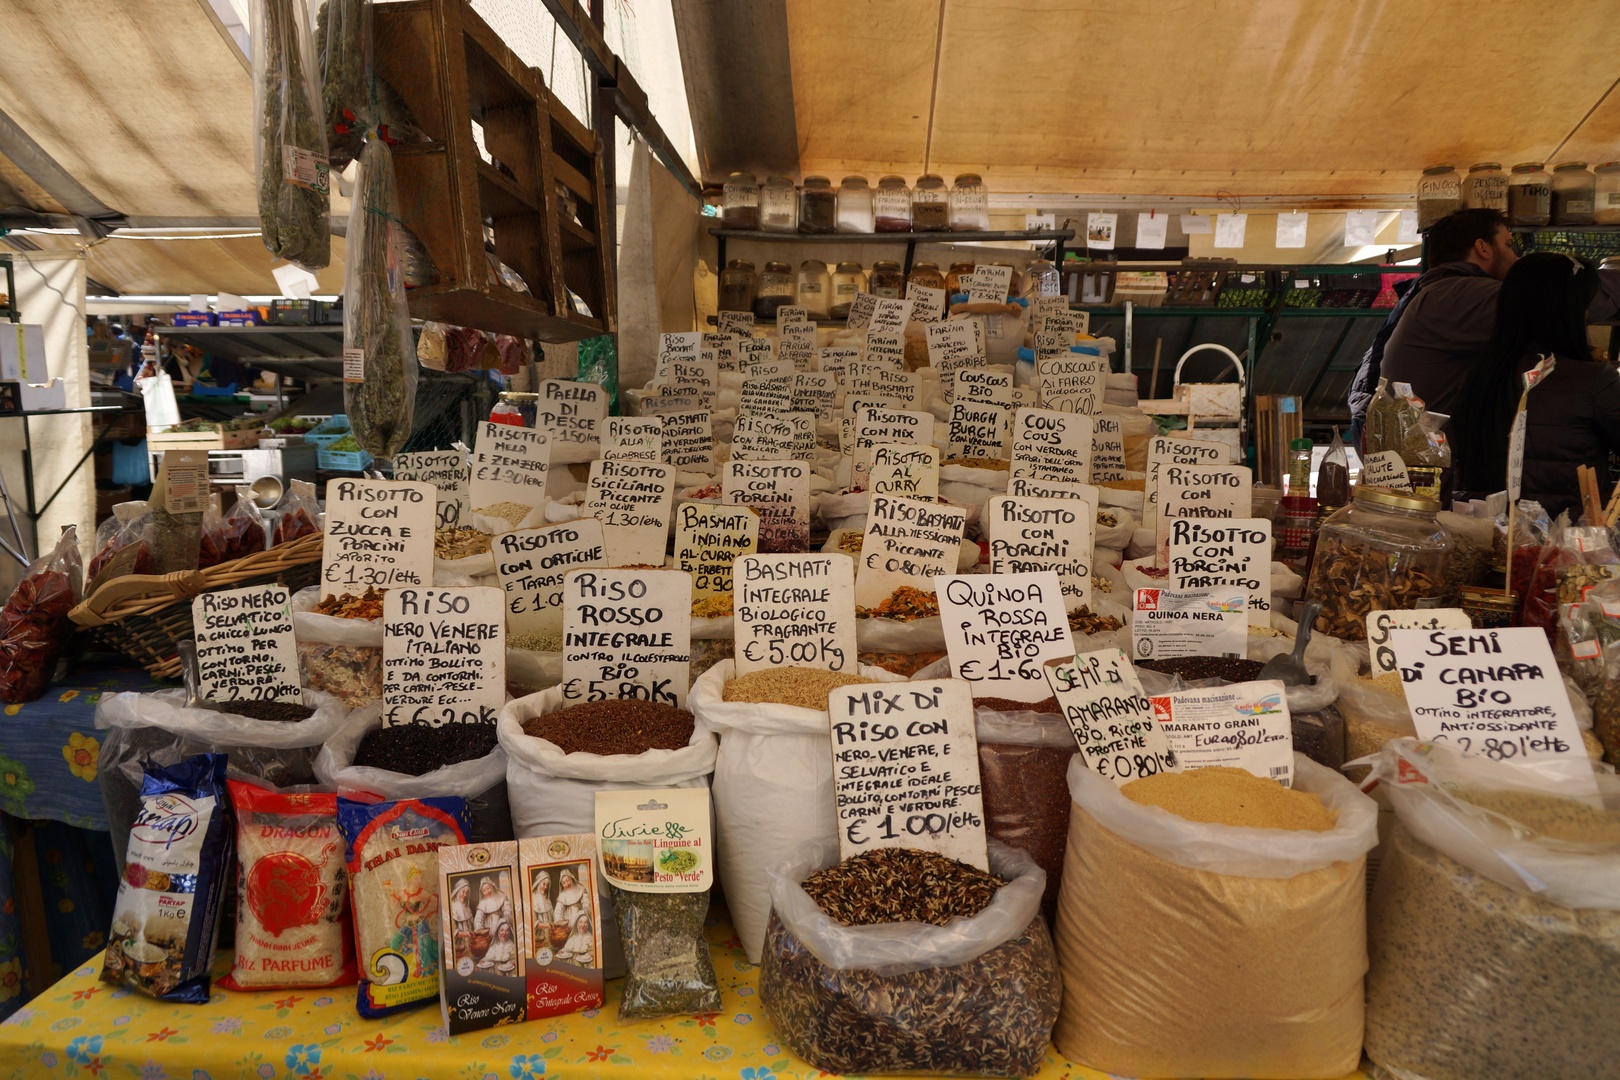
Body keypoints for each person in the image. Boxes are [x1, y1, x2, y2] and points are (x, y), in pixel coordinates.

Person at [1452, 252, 1620, 521]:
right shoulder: (1594, 379)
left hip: (1491, 538)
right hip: (1568, 547)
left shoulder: (1478, 376)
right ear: (1572, 312)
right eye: (1584, 305)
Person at [1346, 208, 1518, 444]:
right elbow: (1553, 307)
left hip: (1401, 446)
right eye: (1508, 245)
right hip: (1431, 460)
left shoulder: (1429, 292)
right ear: (1483, 247)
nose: (1515, 257)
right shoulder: (1459, 294)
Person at [551, 866, 591, 931]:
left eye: (567, 880)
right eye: (563, 883)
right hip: (567, 922)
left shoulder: (580, 889)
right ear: (562, 885)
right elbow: (558, 910)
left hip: (580, 918)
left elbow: (586, 902)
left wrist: (583, 911)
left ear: (571, 879)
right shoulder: (562, 895)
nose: (566, 884)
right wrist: (559, 918)